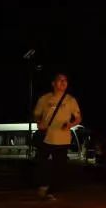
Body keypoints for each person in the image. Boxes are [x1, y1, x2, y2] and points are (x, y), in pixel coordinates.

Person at [33, 73, 82, 201]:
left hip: (63, 139)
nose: (63, 83)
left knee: (60, 167)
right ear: (53, 83)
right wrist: (40, 123)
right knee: (42, 163)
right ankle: (43, 186)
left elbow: (78, 118)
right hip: (47, 137)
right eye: (60, 80)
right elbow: (37, 114)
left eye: (65, 80)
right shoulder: (44, 99)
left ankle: (50, 191)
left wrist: (70, 124)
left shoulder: (71, 100)